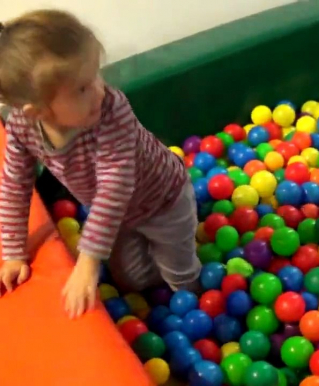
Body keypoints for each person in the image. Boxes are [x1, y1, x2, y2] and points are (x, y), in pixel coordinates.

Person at [0, 10, 202, 318]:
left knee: (179, 271)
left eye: (96, 74)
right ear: (37, 111)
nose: (98, 90)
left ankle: (192, 300)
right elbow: (14, 185)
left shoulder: (111, 110)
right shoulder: (22, 128)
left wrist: (87, 261)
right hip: (118, 218)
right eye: (81, 88)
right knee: (131, 280)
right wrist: (14, 253)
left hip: (163, 200)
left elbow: (115, 184)